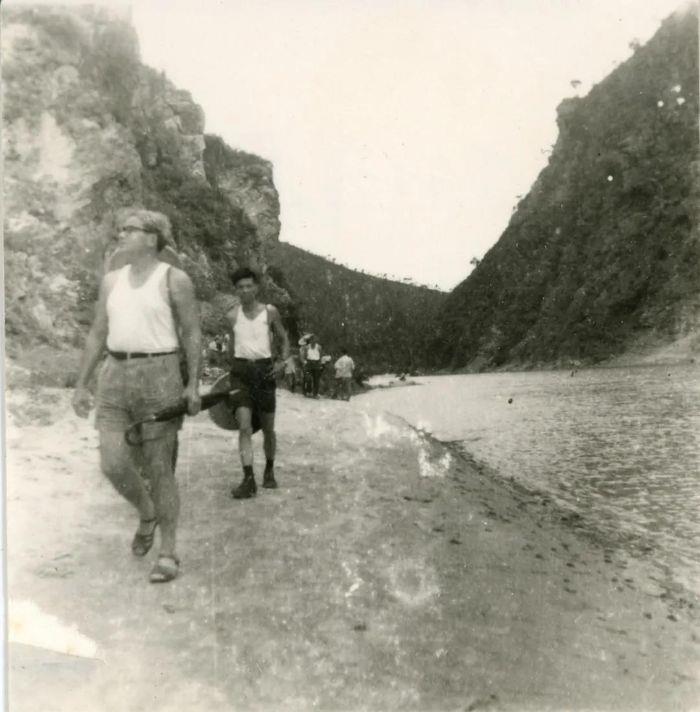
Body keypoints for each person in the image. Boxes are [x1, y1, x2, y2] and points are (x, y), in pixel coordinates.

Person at [72, 209, 201, 584]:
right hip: (114, 374)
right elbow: (98, 332)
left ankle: (168, 551)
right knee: (112, 463)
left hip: (160, 374)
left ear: (152, 237)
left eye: (130, 229)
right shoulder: (111, 281)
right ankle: (147, 512)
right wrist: (82, 383)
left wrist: (193, 384)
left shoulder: (174, 279)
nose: (121, 234)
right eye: (121, 229)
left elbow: (192, 332)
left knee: (160, 467)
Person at [226, 268, 290, 499]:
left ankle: (269, 470)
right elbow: (231, 347)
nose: (245, 290)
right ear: (236, 290)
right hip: (241, 373)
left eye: (248, 286)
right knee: (244, 427)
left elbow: (283, 339)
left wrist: (282, 362)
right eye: (240, 287)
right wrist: (231, 374)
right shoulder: (231, 316)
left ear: (256, 287)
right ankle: (248, 479)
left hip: (265, 372)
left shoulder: (270, 312)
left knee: (268, 428)